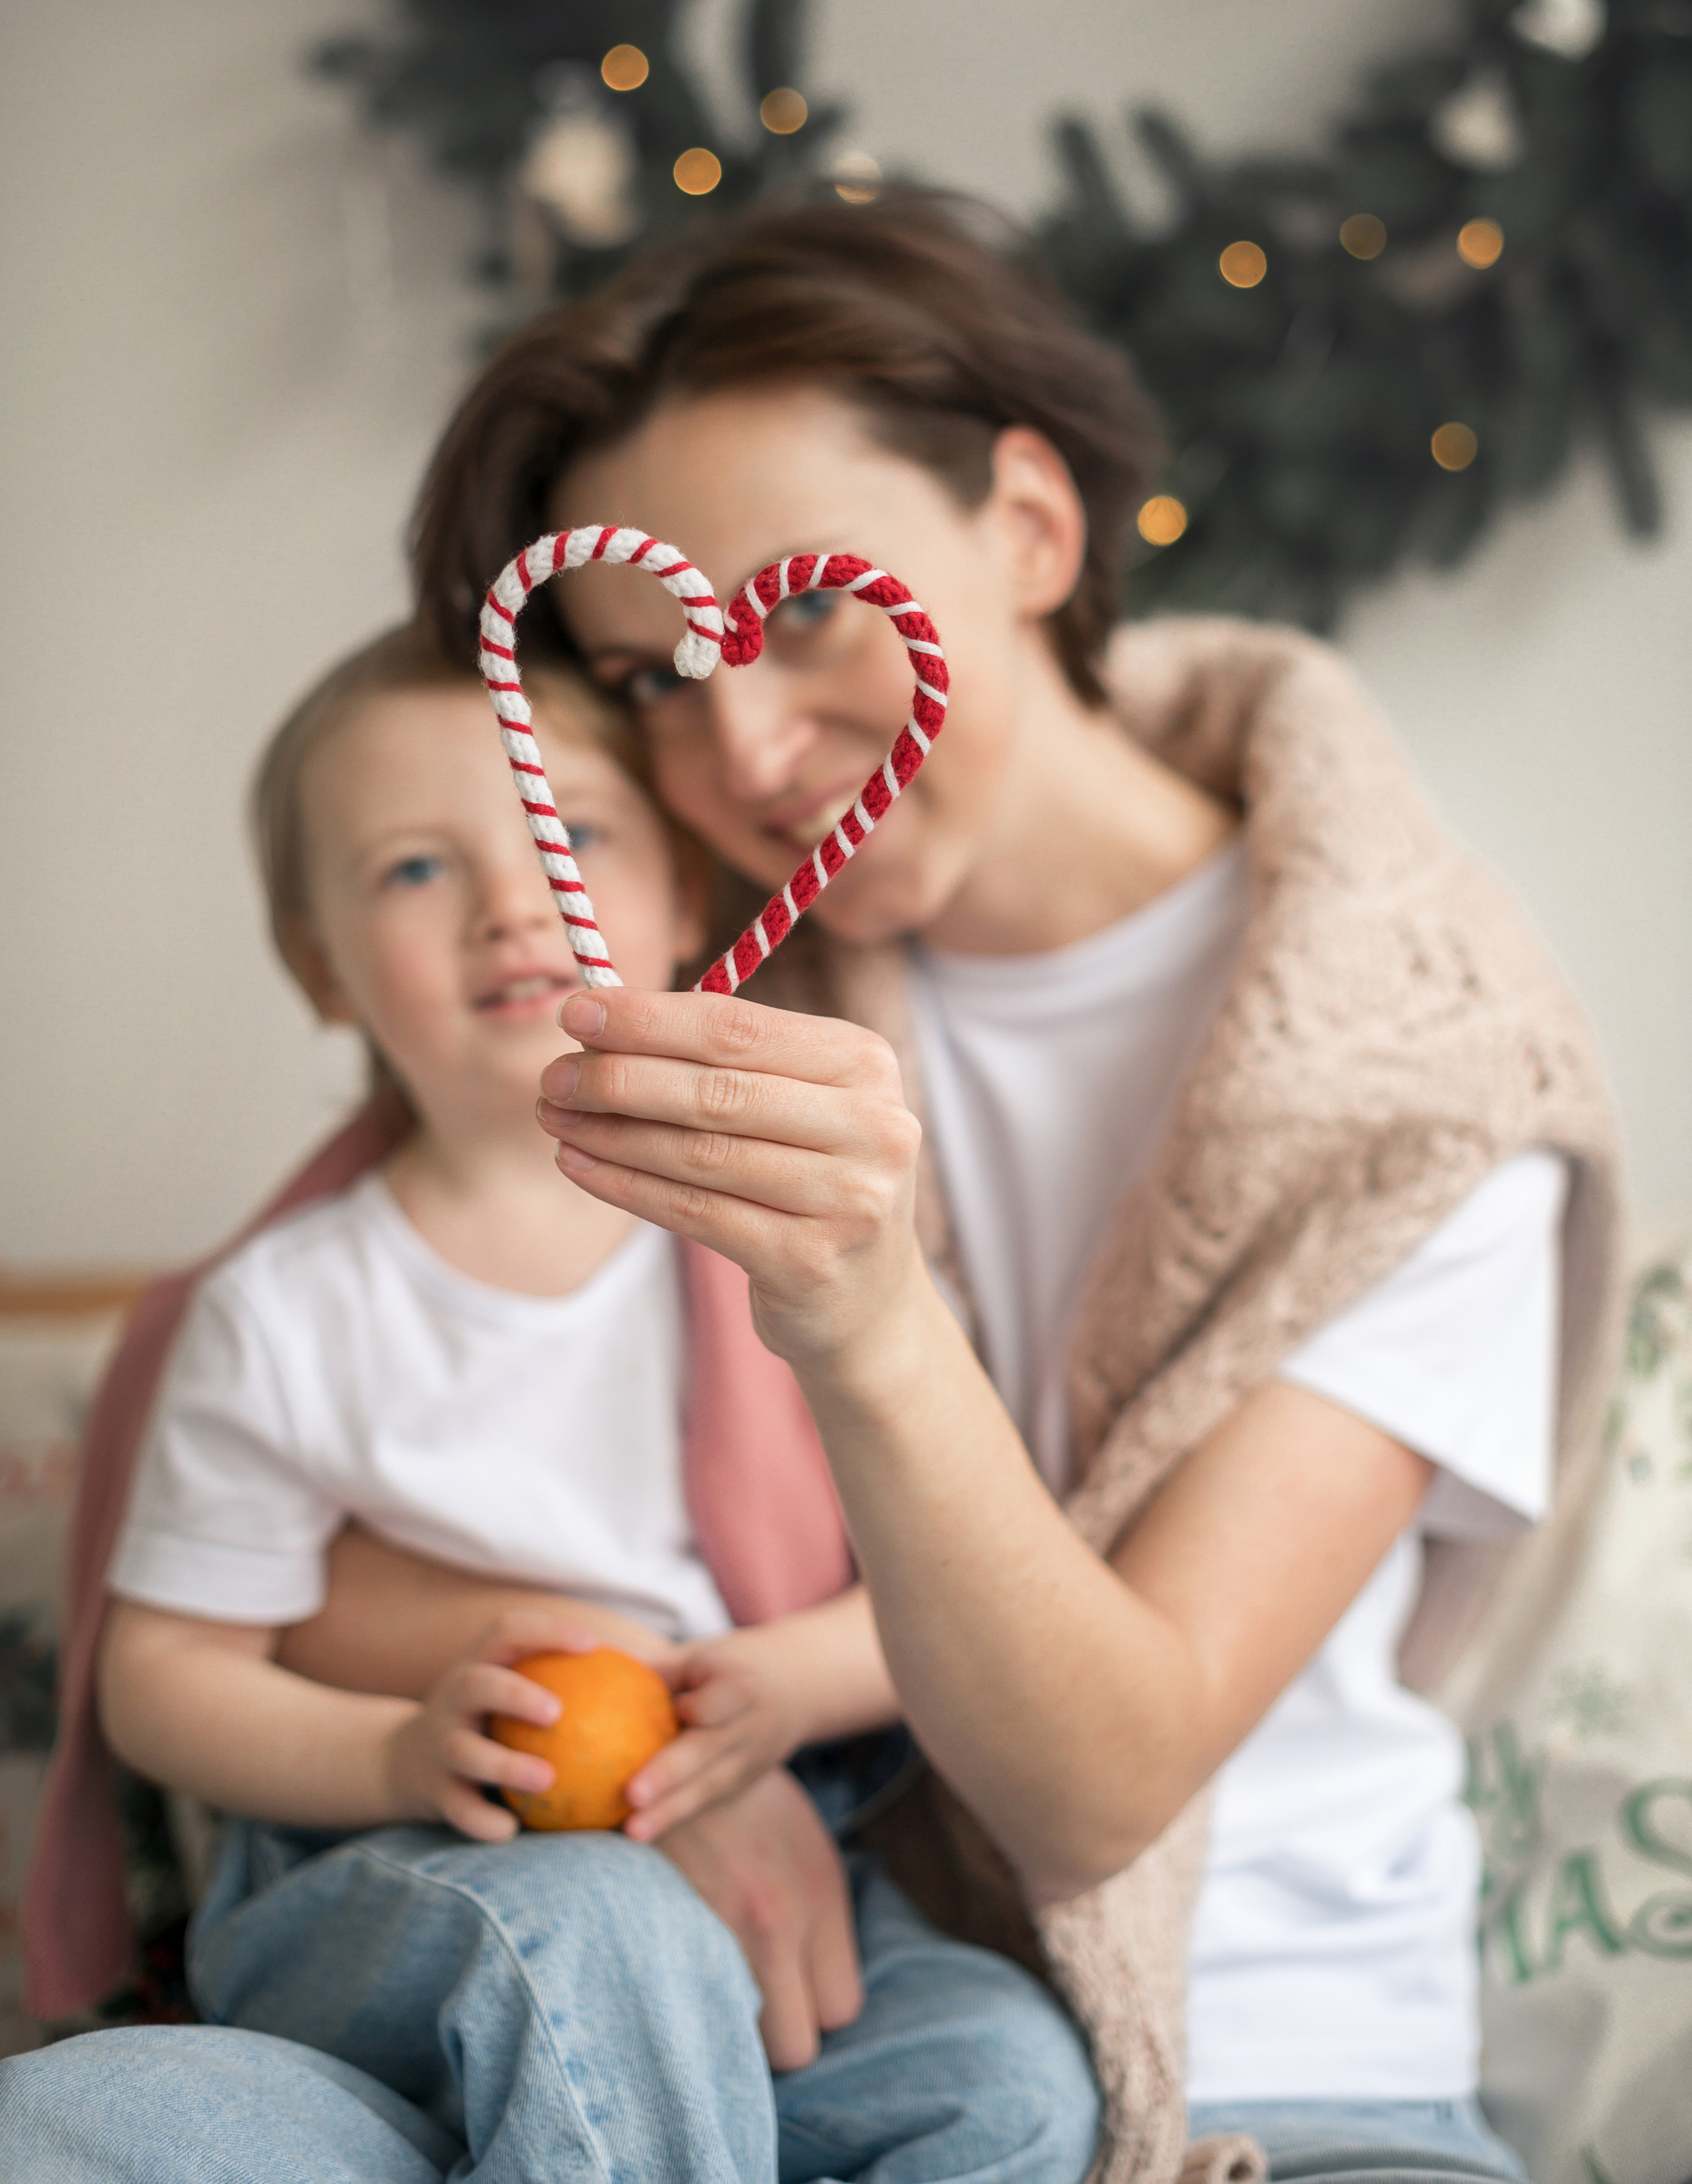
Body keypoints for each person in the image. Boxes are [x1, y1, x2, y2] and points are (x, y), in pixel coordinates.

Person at [14, 188, 1621, 2184]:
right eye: (655, 675)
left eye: (799, 613)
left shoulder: (1418, 1079)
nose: (748, 747)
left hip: (1251, 2059)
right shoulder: (688, 960)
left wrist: (854, 1349)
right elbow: (278, 1500)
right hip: (678, 1949)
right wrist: (636, 1767)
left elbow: (1098, 1780)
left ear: (1033, 526)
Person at [2, 621, 1100, 2184]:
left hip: (761, 1859)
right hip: (380, 1868)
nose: (514, 897)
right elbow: (166, 1679)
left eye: (569, 833)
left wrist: (774, 1681)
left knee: (1006, 2083)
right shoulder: (286, 1310)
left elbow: (955, 1585)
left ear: (678, 902)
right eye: (412, 869)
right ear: (319, 966)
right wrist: (392, 1756)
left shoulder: (790, 1252)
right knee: (596, 1930)